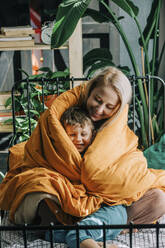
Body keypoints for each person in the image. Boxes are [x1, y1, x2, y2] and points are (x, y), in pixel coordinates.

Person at [1, 66, 165, 247]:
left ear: (118, 108)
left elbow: (125, 162)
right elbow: (44, 151)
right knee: (37, 186)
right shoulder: (63, 115)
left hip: (110, 198)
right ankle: (96, 231)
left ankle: (80, 232)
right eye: (97, 99)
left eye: (109, 107)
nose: (99, 109)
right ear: (89, 91)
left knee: (158, 198)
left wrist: (104, 181)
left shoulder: (116, 128)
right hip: (67, 188)